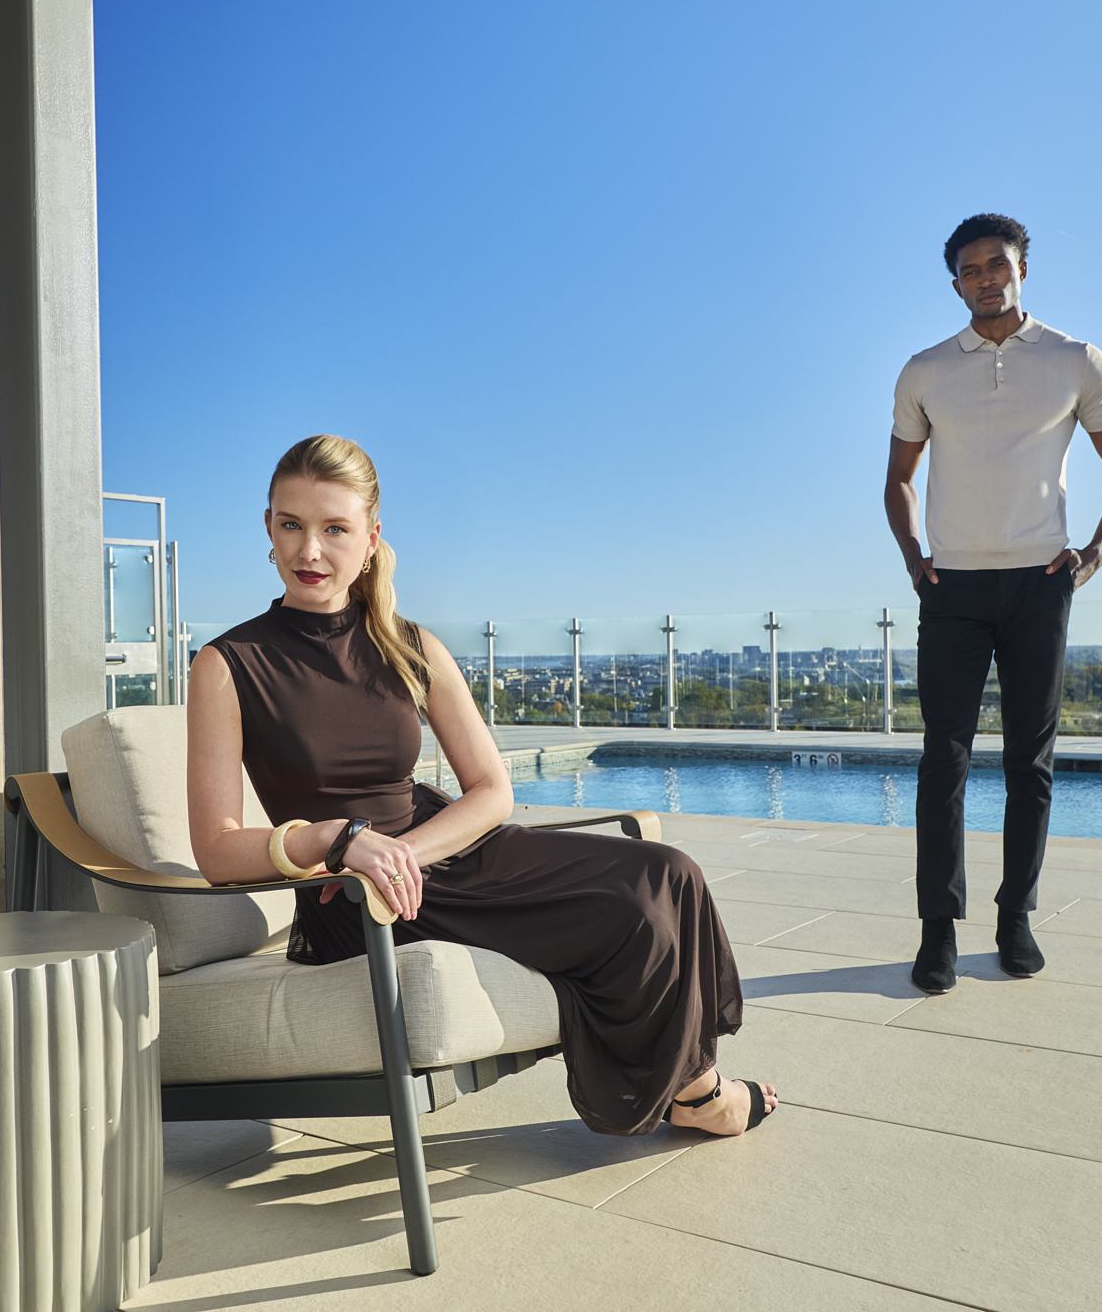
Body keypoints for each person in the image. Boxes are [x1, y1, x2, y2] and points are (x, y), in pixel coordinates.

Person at [187, 434, 778, 1136]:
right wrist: (338, 841)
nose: (309, 551)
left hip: (442, 852)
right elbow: (217, 849)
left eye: (334, 529)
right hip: (356, 894)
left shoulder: (411, 644)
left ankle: (693, 1085)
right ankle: (702, 1098)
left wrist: (409, 851)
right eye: (292, 525)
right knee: (627, 914)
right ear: (268, 529)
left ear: (371, 539)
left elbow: (491, 790)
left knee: (668, 873)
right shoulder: (227, 664)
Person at [884, 213, 1102, 994]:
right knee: (944, 760)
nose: (986, 277)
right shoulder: (925, 371)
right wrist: (913, 560)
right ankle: (937, 929)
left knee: (1029, 763)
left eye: (998, 263)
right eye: (970, 269)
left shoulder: (1075, 360)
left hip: (1040, 582)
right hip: (953, 587)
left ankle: (1015, 916)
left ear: (1022, 268)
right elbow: (898, 476)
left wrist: (1093, 554)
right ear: (956, 283)